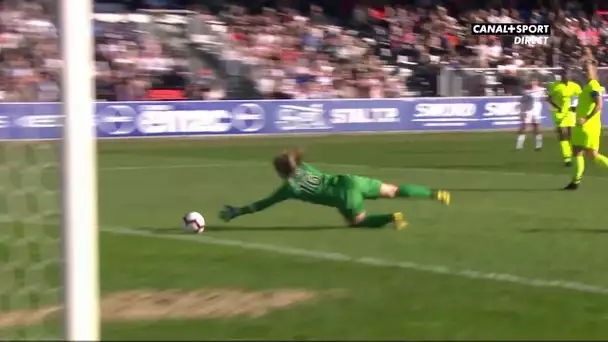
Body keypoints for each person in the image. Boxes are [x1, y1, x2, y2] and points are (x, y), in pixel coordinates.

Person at [219, 149, 451, 229]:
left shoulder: (289, 189)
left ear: (281, 173)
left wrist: (237, 211)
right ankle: (435, 194)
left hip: (343, 196)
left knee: (357, 222)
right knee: (395, 190)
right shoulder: (305, 167)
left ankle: (393, 218)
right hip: (350, 180)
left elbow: (262, 204)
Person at [564, 52, 607, 190]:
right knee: (593, 155)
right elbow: (589, 104)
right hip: (592, 126)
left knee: (577, 150)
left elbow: (599, 104)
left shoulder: (593, 85)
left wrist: (585, 118)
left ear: (595, 72)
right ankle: (575, 181)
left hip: (586, 126)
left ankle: (575, 181)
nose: (585, 72)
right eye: (585, 70)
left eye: (588, 70)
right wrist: (574, 109)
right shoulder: (590, 85)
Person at [546, 68, 582, 166]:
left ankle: (571, 153)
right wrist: (558, 107)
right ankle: (567, 158)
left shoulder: (575, 86)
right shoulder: (555, 86)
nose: (567, 76)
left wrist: (575, 106)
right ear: (561, 76)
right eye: (565, 75)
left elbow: (581, 97)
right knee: (562, 134)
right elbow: (548, 99)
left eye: (568, 75)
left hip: (570, 112)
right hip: (558, 113)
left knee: (570, 135)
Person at [516, 77, 544, 151]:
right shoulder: (527, 91)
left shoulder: (541, 90)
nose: (533, 82)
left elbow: (545, 98)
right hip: (528, 110)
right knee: (525, 125)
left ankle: (538, 145)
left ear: (537, 82)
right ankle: (519, 145)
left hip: (536, 110)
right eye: (532, 81)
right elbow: (522, 100)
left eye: (535, 80)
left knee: (536, 126)